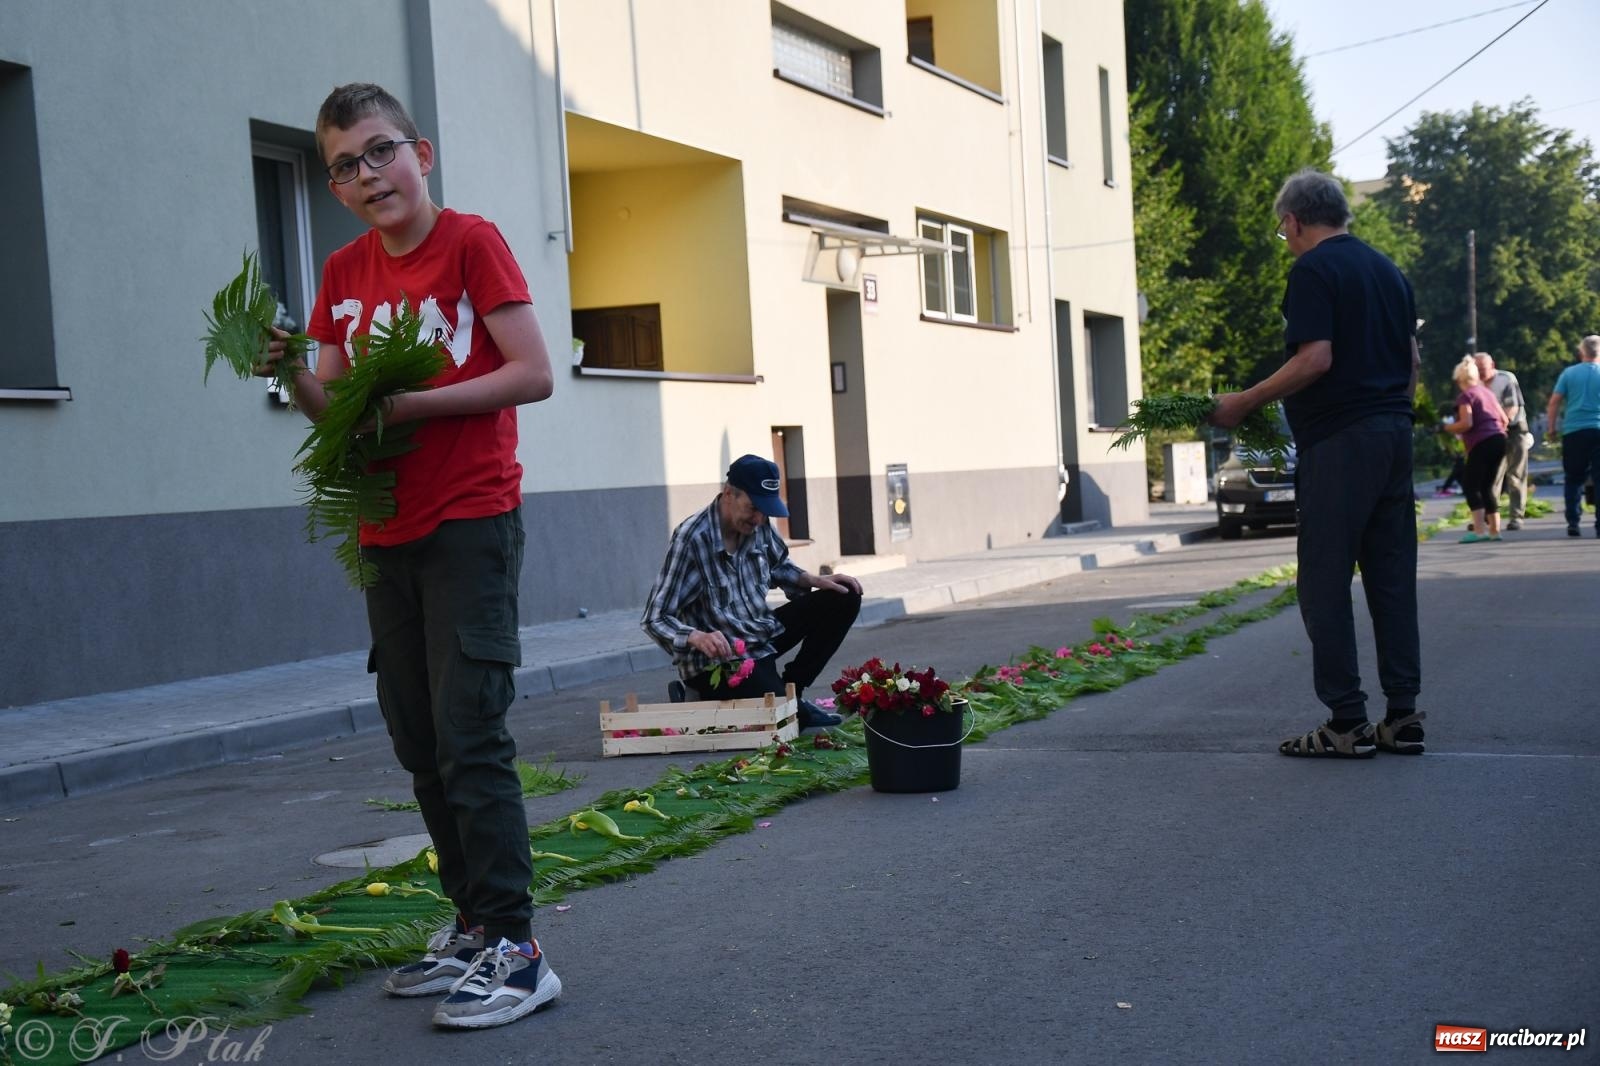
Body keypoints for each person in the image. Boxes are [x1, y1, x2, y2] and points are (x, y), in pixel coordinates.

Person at [256, 83, 560, 1031]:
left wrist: (416, 406)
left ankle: (519, 952)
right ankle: (472, 926)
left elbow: (534, 373)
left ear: (420, 154)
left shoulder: (471, 243)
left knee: (471, 733)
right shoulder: (342, 271)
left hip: (470, 520)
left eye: (381, 150)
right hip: (384, 530)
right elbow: (339, 419)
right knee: (420, 740)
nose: (368, 174)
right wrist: (294, 371)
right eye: (346, 164)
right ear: (335, 186)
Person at [1211, 168, 1424, 759]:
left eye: (1283, 231)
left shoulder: (1313, 270)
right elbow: (1411, 361)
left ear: (1293, 220)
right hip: (1393, 436)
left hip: (1340, 442)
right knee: (1391, 579)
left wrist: (1244, 401)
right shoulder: (1389, 270)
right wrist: (1394, 416)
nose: (1286, 239)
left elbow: (1315, 359)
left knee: (1324, 583)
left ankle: (1346, 723)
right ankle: (1403, 717)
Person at [642, 455, 863, 731]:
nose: (758, 518)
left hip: (760, 635)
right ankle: (701, 695)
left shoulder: (758, 524)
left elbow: (779, 565)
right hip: (720, 659)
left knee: (845, 595)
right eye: (753, 508)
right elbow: (655, 617)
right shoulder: (693, 539)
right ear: (728, 494)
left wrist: (813, 579)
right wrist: (696, 637)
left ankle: (794, 690)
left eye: (765, 510)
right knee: (788, 720)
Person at [1442, 356, 1508, 543]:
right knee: (1487, 486)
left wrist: (1445, 427)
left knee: (1470, 485)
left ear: (1459, 380)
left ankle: (1479, 531)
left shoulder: (1466, 396)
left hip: (1482, 442)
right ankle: (1495, 531)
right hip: (1500, 439)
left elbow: (1466, 423)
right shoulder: (1487, 392)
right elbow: (1504, 419)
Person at [1546, 335, 1600, 537]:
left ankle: (1573, 522)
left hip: (1574, 431)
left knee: (1574, 478)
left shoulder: (1568, 373)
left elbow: (1554, 402)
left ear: (1581, 352)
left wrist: (1552, 428)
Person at [1474, 352, 1532, 529]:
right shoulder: (1475, 383)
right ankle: (1490, 517)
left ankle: (1516, 517)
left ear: (1492, 366)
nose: (1480, 374)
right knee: (1492, 475)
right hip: (1491, 432)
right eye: (1477, 370)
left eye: (1483, 369)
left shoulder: (1506, 379)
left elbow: (1512, 408)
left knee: (1515, 475)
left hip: (1514, 429)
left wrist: (1498, 425)